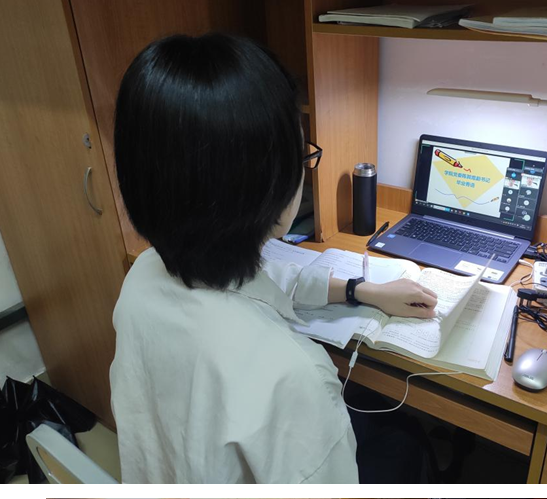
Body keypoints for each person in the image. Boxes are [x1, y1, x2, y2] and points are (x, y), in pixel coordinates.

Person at [110, 33, 438, 483]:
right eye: (301, 156)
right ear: (269, 184)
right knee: (405, 440)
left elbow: (269, 281)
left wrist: (361, 290)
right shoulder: (293, 376)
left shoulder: (142, 276)